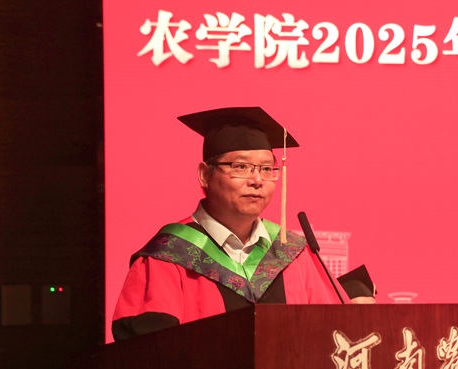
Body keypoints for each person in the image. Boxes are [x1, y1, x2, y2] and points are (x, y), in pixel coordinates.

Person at [112, 106, 348, 341]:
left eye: (267, 169)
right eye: (241, 167)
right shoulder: (167, 256)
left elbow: (331, 335)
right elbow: (148, 351)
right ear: (205, 174)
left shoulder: (293, 253)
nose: (257, 180)